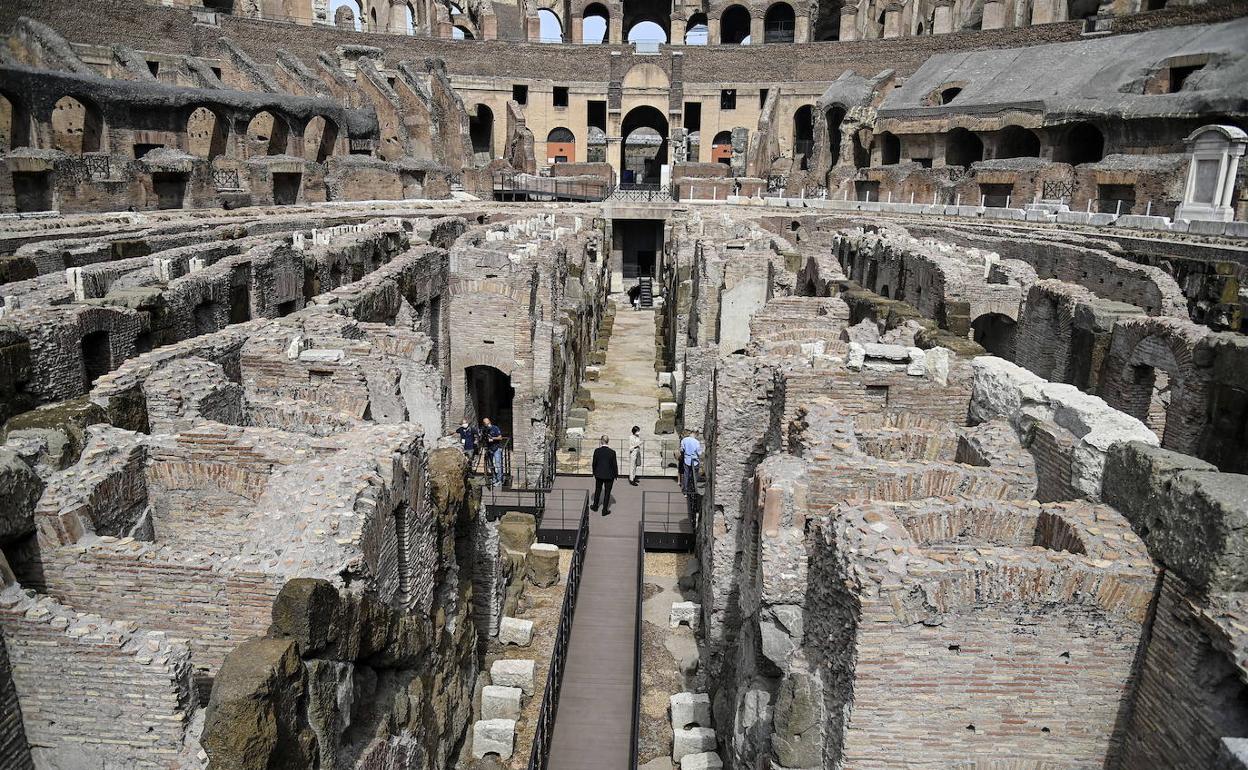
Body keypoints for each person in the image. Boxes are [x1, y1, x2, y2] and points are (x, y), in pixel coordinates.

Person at [591, 435, 618, 515]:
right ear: (608, 441)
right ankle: (604, 510)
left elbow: (594, 463)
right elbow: (614, 465)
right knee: (607, 492)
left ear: (601, 441)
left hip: (599, 474)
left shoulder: (597, 451)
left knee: (598, 490)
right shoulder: (612, 452)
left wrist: (594, 472)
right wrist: (616, 475)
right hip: (609, 475)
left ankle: (595, 506)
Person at [482, 417, 504, 487]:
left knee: (498, 464)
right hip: (489, 449)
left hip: (496, 448)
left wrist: (493, 438)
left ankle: (500, 480)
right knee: (491, 465)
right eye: (485, 423)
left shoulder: (495, 428)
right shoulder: (484, 430)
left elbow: (500, 437)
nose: (487, 424)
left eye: (487, 423)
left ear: (490, 422)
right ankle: (494, 478)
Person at [680, 429, 702, 496]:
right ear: (696, 434)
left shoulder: (684, 440)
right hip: (694, 460)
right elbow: (699, 453)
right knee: (694, 476)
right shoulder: (696, 442)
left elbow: (682, 449)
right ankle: (693, 490)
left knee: (686, 475)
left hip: (687, 459)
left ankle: (685, 491)